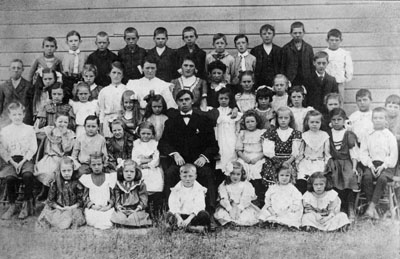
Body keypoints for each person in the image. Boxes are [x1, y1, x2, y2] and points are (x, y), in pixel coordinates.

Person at [158, 90, 218, 230]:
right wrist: (174, 154)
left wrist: (204, 157)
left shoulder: (203, 120)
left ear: (192, 101)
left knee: (207, 174)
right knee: (170, 173)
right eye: (181, 100)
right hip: (180, 163)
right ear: (177, 102)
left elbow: (213, 145)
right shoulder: (171, 122)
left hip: (198, 162)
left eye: (186, 99)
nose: (184, 103)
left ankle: (209, 214)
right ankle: (170, 214)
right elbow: (163, 143)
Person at [0, 102, 37, 220]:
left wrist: (22, 162)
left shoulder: (29, 129)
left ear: (24, 115)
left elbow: (33, 147)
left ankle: (26, 204)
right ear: (10, 116)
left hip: (26, 159)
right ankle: (12, 205)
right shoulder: (4, 131)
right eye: (14, 114)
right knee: (10, 178)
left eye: (19, 114)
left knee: (27, 175)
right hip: (11, 160)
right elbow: (3, 149)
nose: (17, 117)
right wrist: (12, 162)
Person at [360, 107, 398, 219]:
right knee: (366, 177)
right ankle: (373, 211)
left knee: (382, 179)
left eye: (381, 118)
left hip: (387, 165)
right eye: (375, 118)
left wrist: (383, 166)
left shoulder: (389, 136)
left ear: (386, 120)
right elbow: (364, 152)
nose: (378, 120)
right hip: (371, 164)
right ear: (371, 119)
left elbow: (393, 155)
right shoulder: (367, 135)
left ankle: (371, 208)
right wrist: (370, 165)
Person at [325, 108, 359, 222]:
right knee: (332, 177)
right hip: (334, 162)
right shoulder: (328, 134)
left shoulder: (348, 134)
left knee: (349, 177)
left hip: (347, 162)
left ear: (344, 120)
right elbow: (327, 152)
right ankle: (336, 206)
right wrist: (329, 163)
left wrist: (354, 167)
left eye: (339, 119)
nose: (336, 122)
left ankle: (349, 207)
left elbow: (353, 153)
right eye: (333, 119)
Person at [34, 112, 75, 201]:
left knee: (59, 171)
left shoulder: (70, 133)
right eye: (60, 121)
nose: (62, 124)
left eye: (65, 122)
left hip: (62, 158)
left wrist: (64, 135)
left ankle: (57, 194)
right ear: (55, 122)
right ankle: (45, 190)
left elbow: (67, 149)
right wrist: (38, 125)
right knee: (45, 171)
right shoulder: (50, 130)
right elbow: (36, 132)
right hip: (49, 157)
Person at [36, 156, 85, 229]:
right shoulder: (56, 183)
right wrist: (60, 208)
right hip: (59, 208)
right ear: (60, 170)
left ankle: (67, 220)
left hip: (72, 208)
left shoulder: (76, 183)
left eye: (69, 170)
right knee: (54, 218)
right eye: (64, 171)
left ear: (72, 170)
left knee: (75, 218)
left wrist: (71, 207)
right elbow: (50, 201)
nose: (66, 173)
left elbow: (80, 201)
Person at [261, 107, 302, 187]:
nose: (283, 120)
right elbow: (268, 151)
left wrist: (288, 162)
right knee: (272, 173)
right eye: (280, 118)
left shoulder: (295, 133)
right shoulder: (271, 133)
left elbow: (295, 152)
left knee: (289, 173)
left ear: (290, 119)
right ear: (276, 119)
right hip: (274, 161)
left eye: (286, 118)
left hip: (289, 160)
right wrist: (279, 163)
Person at [205, 88, 241, 176]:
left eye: (226, 98)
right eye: (221, 98)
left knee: (231, 155)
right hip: (220, 137)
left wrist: (235, 109)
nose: (223, 100)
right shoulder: (214, 111)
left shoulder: (234, 112)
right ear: (218, 99)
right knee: (221, 156)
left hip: (231, 137)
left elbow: (238, 125)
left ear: (230, 99)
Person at [165, 163, 211, 233]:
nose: (187, 179)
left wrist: (188, 220)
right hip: (180, 215)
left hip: (193, 216)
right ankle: (191, 228)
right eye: (184, 176)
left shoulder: (199, 189)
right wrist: (179, 218)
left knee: (204, 215)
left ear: (195, 176)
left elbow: (199, 206)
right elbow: (173, 205)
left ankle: (181, 227)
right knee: (169, 215)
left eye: (190, 176)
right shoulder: (176, 189)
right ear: (180, 176)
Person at [131, 122, 164, 217]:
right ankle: (142, 209)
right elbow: (135, 159)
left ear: (152, 134)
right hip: (140, 169)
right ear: (139, 133)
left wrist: (147, 163)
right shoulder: (136, 144)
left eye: (148, 134)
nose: (146, 136)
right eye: (143, 133)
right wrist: (145, 160)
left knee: (155, 185)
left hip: (153, 169)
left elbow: (156, 160)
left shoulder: (155, 144)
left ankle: (155, 211)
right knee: (142, 186)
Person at [214, 161, 260, 226]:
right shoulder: (225, 184)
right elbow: (224, 198)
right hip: (229, 206)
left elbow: (246, 198)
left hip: (242, 206)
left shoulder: (245, 184)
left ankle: (238, 220)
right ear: (229, 174)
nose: (235, 176)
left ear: (242, 174)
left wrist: (239, 209)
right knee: (222, 215)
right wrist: (230, 210)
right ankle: (230, 221)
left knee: (246, 216)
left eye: (238, 174)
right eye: (233, 174)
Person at [236, 110, 266, 206]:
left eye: (252, 121)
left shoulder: (262, 133)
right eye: (247, 122)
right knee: (242, 169)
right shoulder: (242, 133)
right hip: (245, 157)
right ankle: (242, 197)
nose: (250, 124)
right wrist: (245, 159)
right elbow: (239, 150)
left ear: (257, 122)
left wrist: (257, 159)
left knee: (256, 171)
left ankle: (257, 198)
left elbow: (265, 150)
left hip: (258, 157)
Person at [80, 152, 117, 230]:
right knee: (92, 218)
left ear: (103, 164)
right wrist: (93, 206)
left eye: (99, 164)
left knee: (109, 218)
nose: (96, 167)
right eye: (93, 165)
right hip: (93, 209)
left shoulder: (109, 177)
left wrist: (108, 206)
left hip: (106, 208)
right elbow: (85, 196)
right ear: (90, 165)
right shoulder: (87, 178)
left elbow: (113, 195)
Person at [297, 110, 331, 194]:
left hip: (318, 162)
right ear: (307, 122)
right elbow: (300, 153)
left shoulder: (324, 135)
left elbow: (327, 154)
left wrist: (327, 164)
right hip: (306, 163)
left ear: (321, 123)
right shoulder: (304, 135)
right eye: (312, 122)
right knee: (302, 181)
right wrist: (297, 163)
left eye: (317, 122)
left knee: (317, 182)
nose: (314, 124)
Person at [259, 164, 303, 229]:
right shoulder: (273, 188)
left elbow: (297, 198)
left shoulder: (292, 188)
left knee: (291, 216)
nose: (284, 178)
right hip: (274, 209)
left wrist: (293, 207)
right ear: (277, 176)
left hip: (287, 209)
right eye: (282, 175)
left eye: (287, 175)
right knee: (265, 213)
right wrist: (271, 210)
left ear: (290, 177)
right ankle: (269, 222)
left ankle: (281, 223)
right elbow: (267, 200)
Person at [111, 159, 152, 227]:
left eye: (132, 171)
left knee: (134, 218)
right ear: (122, 172)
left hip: (136, 209)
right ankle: (125, 221)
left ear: (136, 172)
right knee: (120, 218)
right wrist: (119, 207)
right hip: (123, 209)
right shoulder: (119, 184)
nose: (129, 174)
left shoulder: (140, 184)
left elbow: (143, 199)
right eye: (126, 171)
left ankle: (131, 221)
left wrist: (137, 209)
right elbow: (117, 199)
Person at [0, 59, 33, 127]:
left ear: (22, 70)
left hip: (24, 120)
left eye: (18, 68)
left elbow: (32, 106)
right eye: (13, 68)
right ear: (9, 69)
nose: (16, 70)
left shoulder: (29, 86)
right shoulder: (3, 86)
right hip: (7, 120)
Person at [98, 61, 126, 138]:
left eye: (119, 73)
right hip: (107, 121)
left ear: (122, 75)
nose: (116, 75)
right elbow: (101, 110)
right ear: (109, 74)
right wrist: (101, 126)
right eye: (114, 72)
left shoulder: (126, 89)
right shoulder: (104, 91)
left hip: (122, 121)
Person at [281, 21, 314, 86]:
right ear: (291, 34)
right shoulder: (286, 48)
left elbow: (312, 66)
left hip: (306, 79)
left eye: (300, 33)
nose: (297, 35)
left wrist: (311, 79)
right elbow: (282, 67)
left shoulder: (308, 48)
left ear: (304, 33)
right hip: (291, 79)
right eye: (295, 33)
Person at [324, 29, 353, 98]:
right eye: (332, 40)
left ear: (341, 40)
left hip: (339, 82)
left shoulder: (344, 53)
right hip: (327, 82)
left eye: (337, 40)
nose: (334, 42)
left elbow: (349, 68)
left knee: (340, 100)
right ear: (327, 40)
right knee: (327, 100)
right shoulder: (324, 53)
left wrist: (345, 79)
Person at [62, 31, 87, 98]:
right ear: (67, 42)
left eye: (76, 40)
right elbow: (64, 69)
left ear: (80, 41)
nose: (73, 43)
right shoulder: (65, 56)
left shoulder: (83, 55)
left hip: (81, 79)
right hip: (69, 80)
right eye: (71, 41)